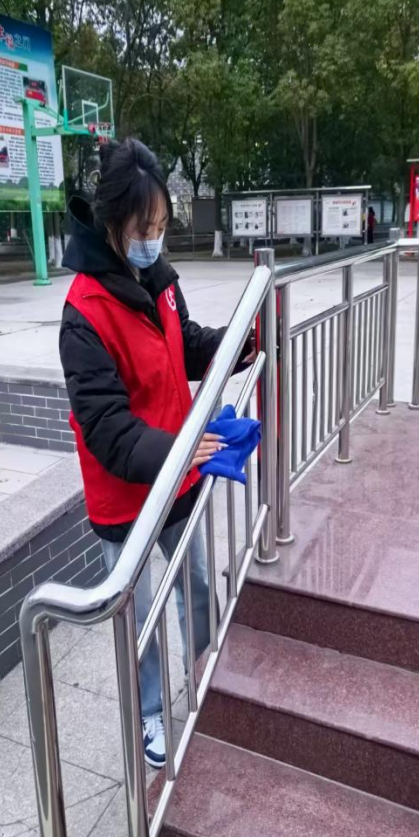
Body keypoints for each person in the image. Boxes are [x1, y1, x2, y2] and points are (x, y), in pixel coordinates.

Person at [60, 138, 250, 769]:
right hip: (128, 497)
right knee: (138, 611)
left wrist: (237, 345)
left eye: (162, 226)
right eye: (144, 229)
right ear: (113, 224)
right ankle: (148, 713)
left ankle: (207, 677)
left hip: (179, 474)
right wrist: (182, 448)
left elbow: (184, 345)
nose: (154, 239)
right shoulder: (84, 313)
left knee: (195, 583)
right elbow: (107, 429)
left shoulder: (160, 280)